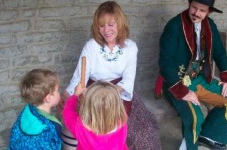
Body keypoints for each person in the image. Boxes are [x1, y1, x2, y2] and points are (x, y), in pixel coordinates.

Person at [61, 1, 161, 149]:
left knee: (143, 129)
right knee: (95, 128)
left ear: (120, 23)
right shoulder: (91, 46)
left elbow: (128, 80)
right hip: (94, 94)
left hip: (119, 92)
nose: (106, 30)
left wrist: (110, 94)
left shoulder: (131, 47)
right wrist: (69, 95)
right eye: (101, 25)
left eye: (111, 24)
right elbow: (79, 77)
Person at [158, 0, 227, 150]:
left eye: (202, 10)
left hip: (199, 78)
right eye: (194, 8)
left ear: (208, 12)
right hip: (177, 82)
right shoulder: (174, 26)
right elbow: (165, 63)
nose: (197, 13)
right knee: (195, 117)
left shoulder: (210, 25)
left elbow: (220, 52)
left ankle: (209, 136)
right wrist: (182, 91)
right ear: (189, 4)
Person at [62, 81, 128, 150]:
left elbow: (67, 111)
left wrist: (75, 95)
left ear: (87, 108)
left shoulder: (80, 127)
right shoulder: (122, 121)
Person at [7, 68, 62, 150]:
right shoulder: (53, 126)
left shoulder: (27, 111)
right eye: (58, 90)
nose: (59, 92)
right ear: (49, 98)